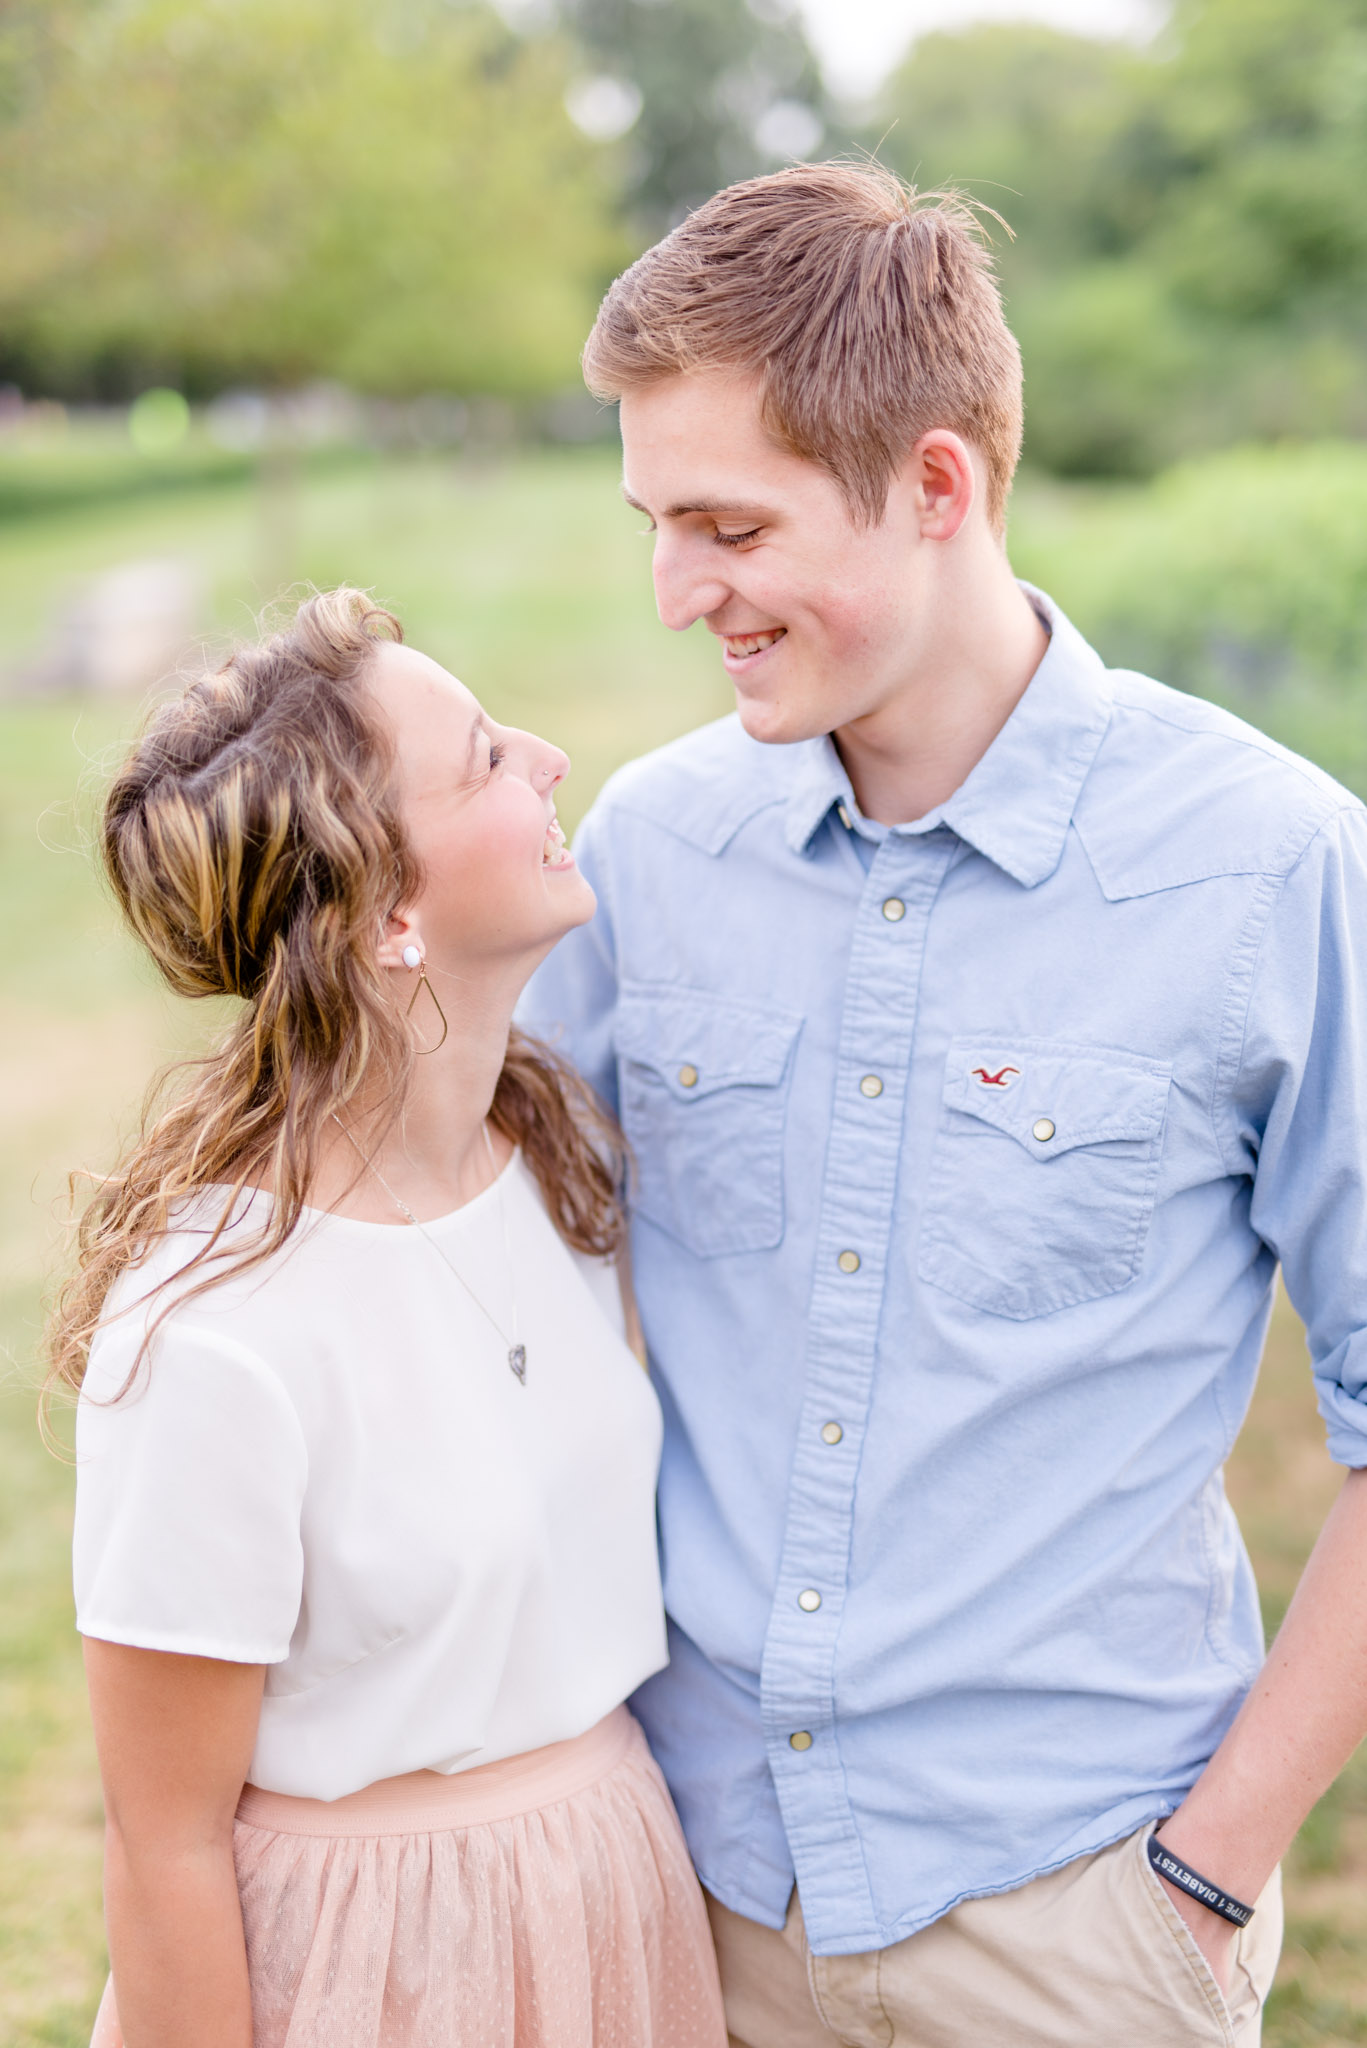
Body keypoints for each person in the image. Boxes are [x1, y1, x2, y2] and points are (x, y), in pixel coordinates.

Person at [520, 161, 1367, 2047]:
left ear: (935, 485)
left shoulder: (1273, 869)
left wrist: (1214, 1868)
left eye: (727, 526)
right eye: (656, 525)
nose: (677, 594)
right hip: (687, 1900)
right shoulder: (648, 855)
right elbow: (479, 1281)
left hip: (1077, 1921)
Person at [53, 589, 726, 2048]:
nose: (549, 758)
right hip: (376, 1970)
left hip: (616, 1903)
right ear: (386, 914)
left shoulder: (557, 1161)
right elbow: (160, 1841)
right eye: (486, 756)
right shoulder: (213, 1333)